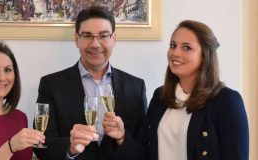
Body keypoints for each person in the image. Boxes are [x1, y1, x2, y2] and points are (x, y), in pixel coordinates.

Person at [103, 20, 250, 160]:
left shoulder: (227, 101)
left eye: (186, 47)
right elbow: (144, 154)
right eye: (173, 45)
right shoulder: (160, 96)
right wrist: (122, 136)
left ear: (205, 56)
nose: (175, 53)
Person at [33, 6, 147, 160]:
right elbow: (41, 145)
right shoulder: (51, 85)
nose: (95, 44)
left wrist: (122, 138)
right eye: (87, 36)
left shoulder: (136, 87)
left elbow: (144, 149)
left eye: (103, 36)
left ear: (113, 39)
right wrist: (71, 148)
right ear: (76, 39)